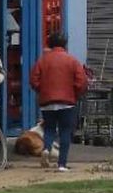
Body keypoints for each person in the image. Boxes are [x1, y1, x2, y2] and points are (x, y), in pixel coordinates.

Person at [29, 31, 88, 172]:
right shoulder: (72, 60)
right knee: (65, 132)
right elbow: (81, 81)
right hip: (67, 102)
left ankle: (46, 149)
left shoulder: (42, 61)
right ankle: (62, 164)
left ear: (49, 44)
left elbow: (33, 80)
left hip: (47, 101)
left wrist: (42, 91)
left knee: (49, 129)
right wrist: (75, 94)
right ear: (65, 44)